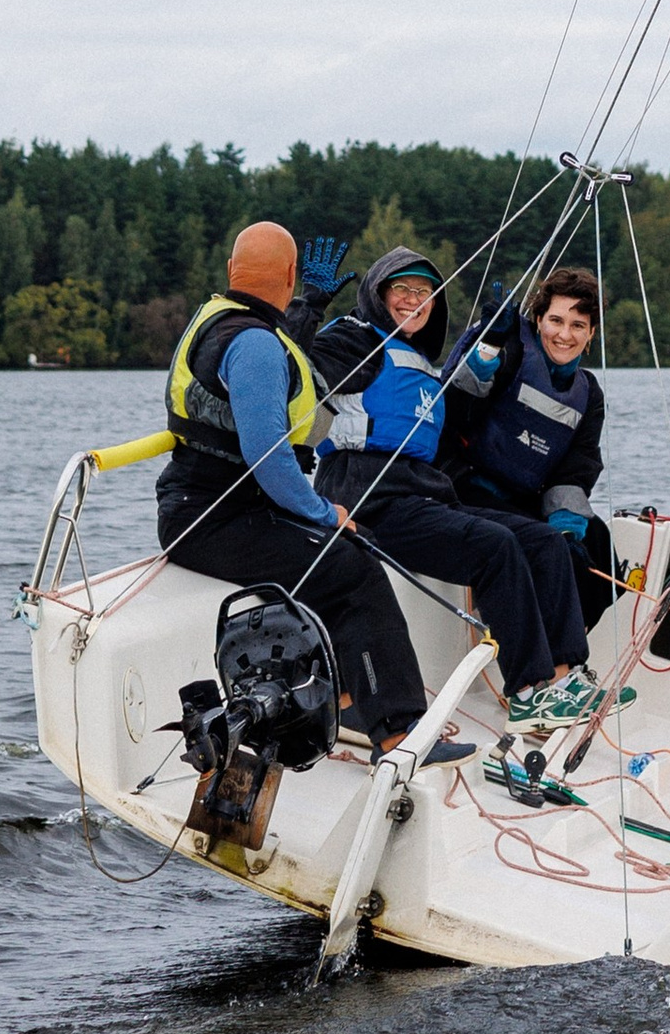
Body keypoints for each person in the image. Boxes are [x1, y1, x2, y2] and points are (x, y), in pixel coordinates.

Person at [155, 219, 470, 762]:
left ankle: (347, 696)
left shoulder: (224, 323)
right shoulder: (252, 345)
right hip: (211, 520)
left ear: (232, 272)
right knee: (355, 570)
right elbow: (269, 457)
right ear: (290, 275)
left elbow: (278, 382)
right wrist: (322, 510)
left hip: (206, 508)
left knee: (349, 547)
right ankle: (399, 732)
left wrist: (307, 307)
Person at [309, 246, 599, 725]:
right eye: (401, 288)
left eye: (424, 292)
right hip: (370, 498)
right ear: (378, 293)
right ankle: (528, 691)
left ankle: (561, 682)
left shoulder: (421, 362)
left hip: (423, 493)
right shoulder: (354, 339)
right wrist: (308, 306)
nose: (413, 300)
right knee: (496, 545)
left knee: (546, 542)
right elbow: (297, 372)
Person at [446, 263, 616, 630]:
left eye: (578, 326)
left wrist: (568, 527)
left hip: (524, 494)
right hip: (466, 483)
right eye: (556, 320)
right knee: (542, 546)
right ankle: (544, 662)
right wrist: (486, 353)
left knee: (600, 552)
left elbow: (577, 465)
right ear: (538, 319)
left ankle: (570, 646)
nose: (564, 335)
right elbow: (455, 412)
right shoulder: (508, 349)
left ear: (592, 335)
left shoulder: (589, 394)